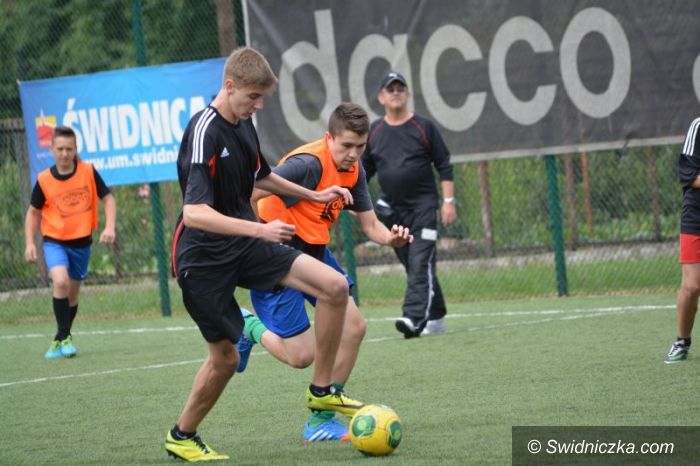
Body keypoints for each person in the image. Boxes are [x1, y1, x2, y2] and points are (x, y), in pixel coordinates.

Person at [166, 47, 363, 462]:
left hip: (245, 244)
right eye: (253, 96)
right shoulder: (204, 130)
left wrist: (314, 195)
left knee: (334, 287)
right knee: (225, 360)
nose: (258, 105)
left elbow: (264, 177)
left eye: (262, 98)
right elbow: (195, 213)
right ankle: (182, 435)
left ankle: (322, 392)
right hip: (202, 259)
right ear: (230, 85)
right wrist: (260, 229)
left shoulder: (243, 126)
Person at [241, 102, 412, 443]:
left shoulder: (354, 170)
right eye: (346, 145)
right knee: (301, 356)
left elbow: (371, 226)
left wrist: (390, 239)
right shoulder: (307, 165)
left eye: (360, 147)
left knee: (354, 327)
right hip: (276, 253)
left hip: (313, 251)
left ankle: (320, 419)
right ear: (329, 137)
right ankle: (247, 326)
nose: (353, 154)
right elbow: (250, 191)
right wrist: (259, 233)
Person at [362, 71, 457, 339]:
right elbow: (363, 172)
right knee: (415, 265)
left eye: (400, 88)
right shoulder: (375, 131)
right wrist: (352, 201)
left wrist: (448, 202)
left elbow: (444, 165)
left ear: (408, 94)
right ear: (381, 97)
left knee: (420, 262)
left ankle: (413, 319)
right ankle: (436, 316)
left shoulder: (423, 127)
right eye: (390, 89)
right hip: (392, 214)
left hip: (424, 210)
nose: (396, 93)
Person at [24, 126, 116, 359]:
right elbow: (33, 212)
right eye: (60, 149)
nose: (64, 153)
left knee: (72, 295)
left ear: (75, 149)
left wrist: (109, 227)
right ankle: (65, 338)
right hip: (54, 241)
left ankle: (61, 336)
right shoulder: (44, 180)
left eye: (69, 149)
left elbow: (108, 198)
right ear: (52, 150)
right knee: (61, 282)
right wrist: (30, 243)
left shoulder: (87, 171)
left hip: (82, 244)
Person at [666, 117, 700, 363]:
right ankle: (682, 341)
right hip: (696, 217)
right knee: (691, 287)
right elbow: (688, 175)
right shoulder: (698, 127)